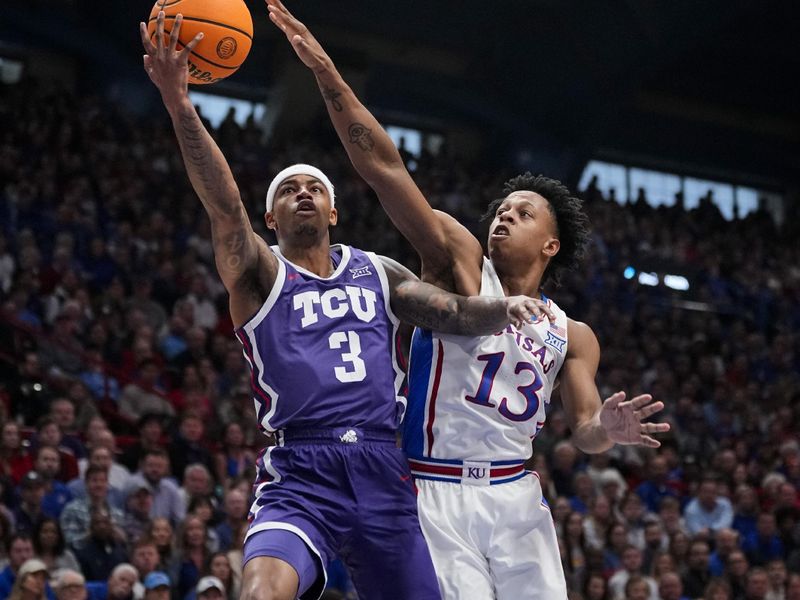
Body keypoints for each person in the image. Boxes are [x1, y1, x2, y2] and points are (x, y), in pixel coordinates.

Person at [267, 1, 671, 597]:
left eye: (523, 213)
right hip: (432, 490)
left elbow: (583, 429)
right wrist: (329, 73)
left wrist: (607, 430)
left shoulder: (574, 334)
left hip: (516, 497)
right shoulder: (459, 262)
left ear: (551, 243)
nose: (504, 217)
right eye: (502, 210)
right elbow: (384, 169)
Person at [140, 11, 548, 600]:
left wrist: (502, 309)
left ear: (333, 213)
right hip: (302, 470)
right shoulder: (258, 274)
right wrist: (181, 107)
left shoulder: (378, 272)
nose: (302, 193)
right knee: (260, 592)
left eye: (315, 189)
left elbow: (455, 314)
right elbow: (225, 206)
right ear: (271, 217)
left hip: (385, 472)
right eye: (287, 190)